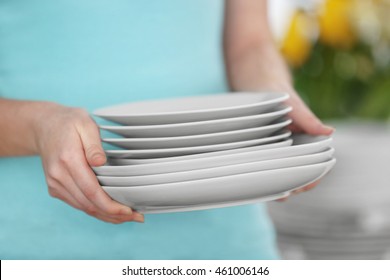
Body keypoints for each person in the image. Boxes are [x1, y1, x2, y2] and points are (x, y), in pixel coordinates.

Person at [0, 0, 332, 259]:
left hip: (226, 244)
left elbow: (249, 43)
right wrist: (39, 125)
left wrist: (276, 99)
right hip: (38, 248)